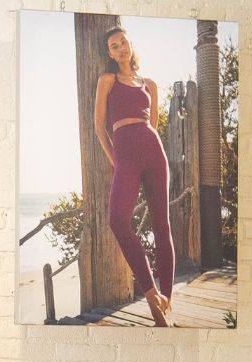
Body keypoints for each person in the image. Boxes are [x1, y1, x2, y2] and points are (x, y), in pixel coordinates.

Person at [93, 24, 175, 327]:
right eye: (114, 46)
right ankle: (152, 291)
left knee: (161, 227)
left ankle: (163, 310)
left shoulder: (150, 84)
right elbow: (99, 127)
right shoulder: (107, 80)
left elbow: (151, 125)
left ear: (130, 44)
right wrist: (115, 159)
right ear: (109, 53)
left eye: (123, 42)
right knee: (117, 220)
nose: (120, 48)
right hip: (125, 156)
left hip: (154, 153)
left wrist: (145, 149)